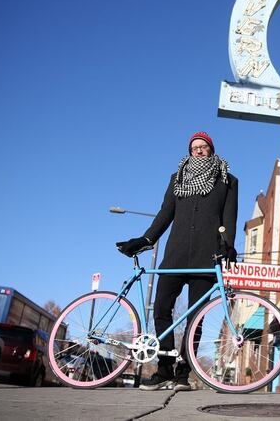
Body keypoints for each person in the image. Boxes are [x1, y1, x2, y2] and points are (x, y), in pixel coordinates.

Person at [116, 131, 238, 392]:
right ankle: (163, 370)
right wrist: (145, 239)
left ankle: (182, 374)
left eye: (203, 146)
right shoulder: (177, 178)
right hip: (175, 255)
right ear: (189, 150)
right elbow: (165, 214)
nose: (199, 150)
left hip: (207, 257)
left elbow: (229, 218)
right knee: (161, 308)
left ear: (211, 149)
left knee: (196, 318)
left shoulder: (227, 180)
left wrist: (228, 245)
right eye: (194, 147)